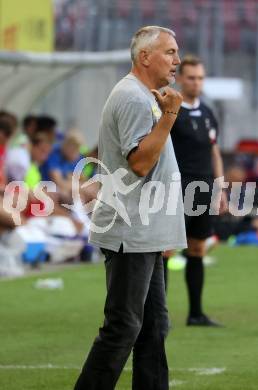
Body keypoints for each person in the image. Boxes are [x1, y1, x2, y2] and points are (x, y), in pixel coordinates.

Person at [74, 26, 186, 390]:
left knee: (154, 327)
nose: (177, 60)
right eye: (170, 52)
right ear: (145, 57)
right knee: (124, 326)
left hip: (146, 230)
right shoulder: (134, 97)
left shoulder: (145, 95)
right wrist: (169, 116)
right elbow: (140, 162)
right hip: (130, 229)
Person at [164, 55, 228, 327]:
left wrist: (220, 186)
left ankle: (196, 313)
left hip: (204, 189)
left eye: (200, 78)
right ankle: (158, 314)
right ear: (179, 78)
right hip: (177, 188)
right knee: (166, 250)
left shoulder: (208, 112)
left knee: (198, 248)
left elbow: (214, 151)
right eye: (191, 77)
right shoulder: (171, 110)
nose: (196, 82)